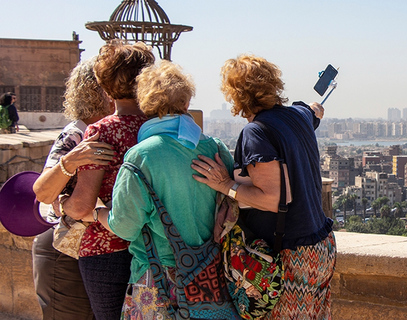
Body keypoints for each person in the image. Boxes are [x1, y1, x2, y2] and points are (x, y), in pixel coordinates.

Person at [191, 54, 337, 319]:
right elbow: (313, 110)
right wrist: (315, 106)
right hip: (321, 246)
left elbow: (272, 199)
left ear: (236, 95)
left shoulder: (256, 132)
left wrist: (225, 184)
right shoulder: (299, 116)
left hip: (291, 254)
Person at [96, 61, 237, 319]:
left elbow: (125, 227)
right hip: (211, 278)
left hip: (158, 282)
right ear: (186, 103)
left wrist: (97, 212)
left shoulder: (142, 157)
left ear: (146, 104)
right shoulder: (215, 148)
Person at [59, 41, 155, 320]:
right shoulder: (160, 127)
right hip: (155, 245)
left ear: (104, 83)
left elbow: (81, 206)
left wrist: (63, 203)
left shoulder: (103, 131)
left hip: (107, 247)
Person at [32, 57, 115, 320]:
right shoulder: (75, 134)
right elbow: (43, 193)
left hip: (97, 250)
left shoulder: (114, 130)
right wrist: (70, 161)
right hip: (64, 253)